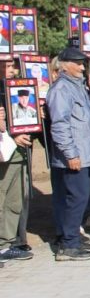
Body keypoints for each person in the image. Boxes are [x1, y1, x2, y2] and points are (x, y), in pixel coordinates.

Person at [46, 47, 90, 261]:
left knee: (71, 198)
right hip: (74, 156)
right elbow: (60, 126)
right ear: (64, 65)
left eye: (83, 63)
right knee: (76, 198)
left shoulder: (76, 86)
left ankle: (68, 238)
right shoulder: (62, 89)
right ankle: (69, 245)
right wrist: (71, 154)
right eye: (78, 63)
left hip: (83, 154)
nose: (82, 67)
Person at [0, 93, 35, 264]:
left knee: (13, 202)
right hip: (5, 152)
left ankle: (5, 245)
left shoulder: (11, 89)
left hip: (16, 153)